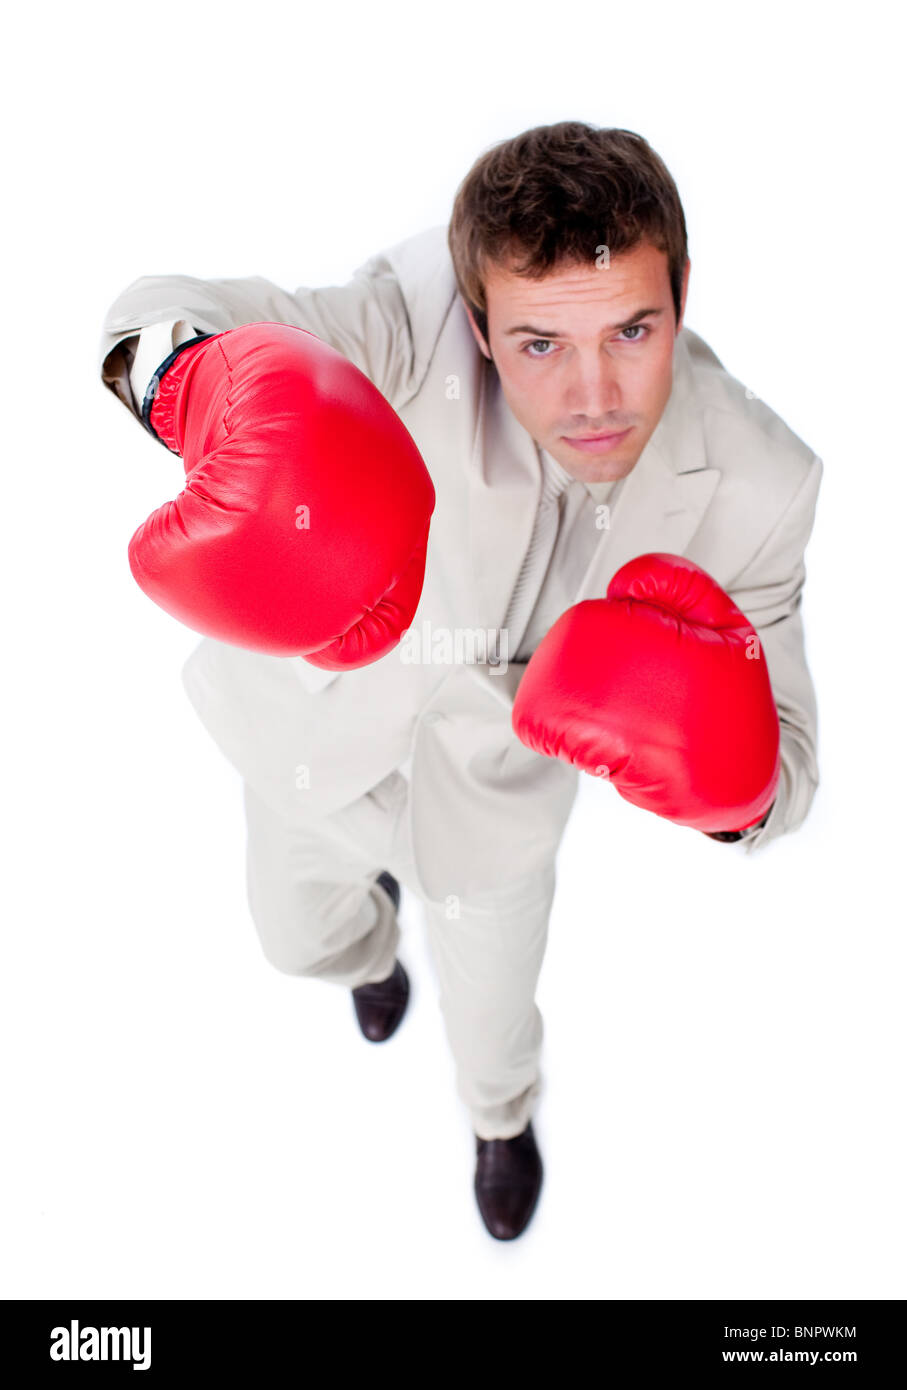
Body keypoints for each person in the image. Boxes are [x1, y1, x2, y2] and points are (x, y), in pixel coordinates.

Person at [97, 121, 822, 1241]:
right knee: (297, 942)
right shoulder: (411, 314)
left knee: (492, 1027)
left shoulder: (760, 481)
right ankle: (371, 949)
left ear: (684, 292)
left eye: (633, 328)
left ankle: (499, 1122)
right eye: (538, 344)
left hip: (497, 817)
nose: (594, 393)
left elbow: (787, 764)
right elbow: (159, 311)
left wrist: (733, 784)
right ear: (477, 325)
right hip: (318, 748)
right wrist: (196, 385)